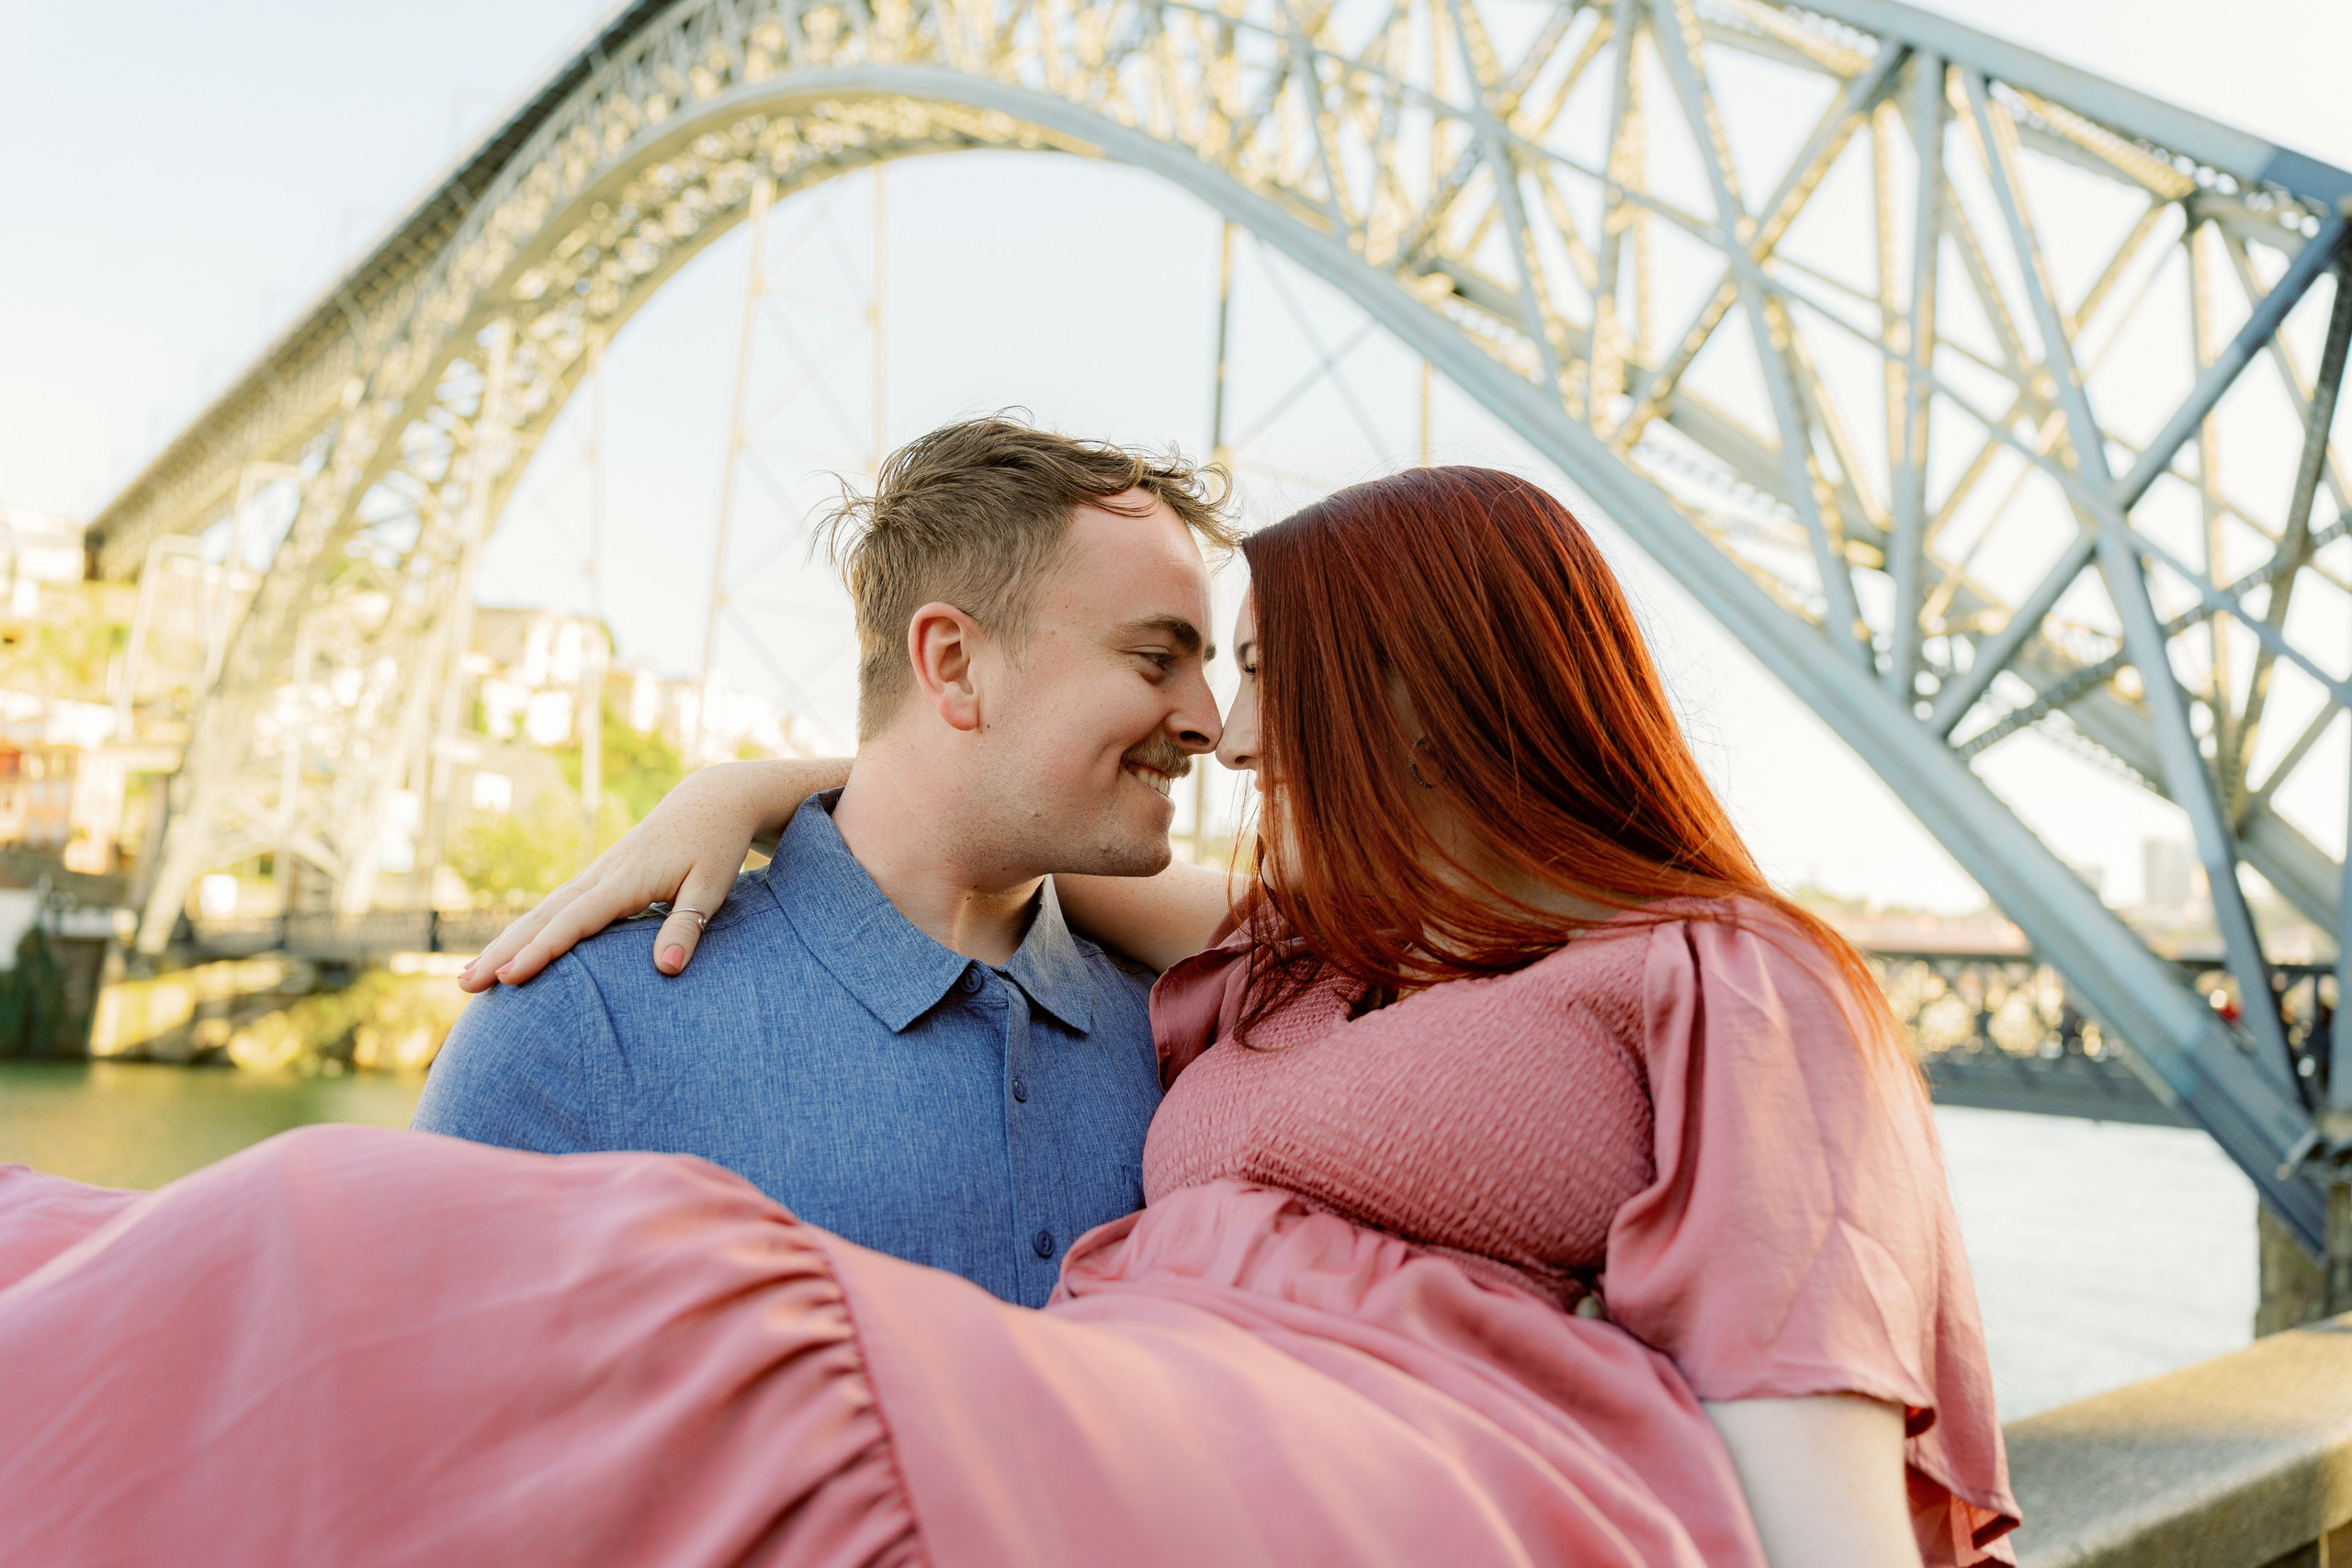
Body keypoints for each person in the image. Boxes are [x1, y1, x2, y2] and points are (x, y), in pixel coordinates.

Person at [0, 467, 2015, 1567]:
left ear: (1437, 681)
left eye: (1248, 664)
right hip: (1124, 1413)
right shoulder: (1278, 959)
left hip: (1340, 1471)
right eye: (1178, 657)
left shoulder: (1723, 980)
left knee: (481, 1272)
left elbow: (1807, 1443)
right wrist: (755, 788)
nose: (1223, 718)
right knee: (245, 1239)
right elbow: (954, 794)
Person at [411, 417, 1235, 1306]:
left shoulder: (1194, 1033)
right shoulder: (580, 1028)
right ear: (953, 664)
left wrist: (754, 790)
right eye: (1156, 660)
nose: (1210, 725)